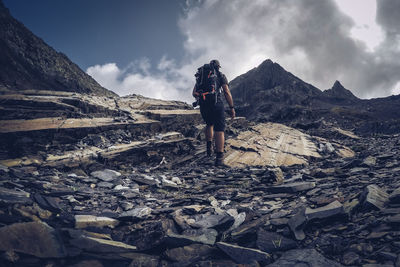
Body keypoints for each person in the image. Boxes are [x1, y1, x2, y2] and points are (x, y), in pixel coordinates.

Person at [192, 59, 235, 166]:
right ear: (218, 66)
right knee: (219, 130)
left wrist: (202, 97)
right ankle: (219, 159)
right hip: (217, 104)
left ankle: (208, 150)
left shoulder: (201, 76)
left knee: (209, 124)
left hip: (204, 104)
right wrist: (232, 107)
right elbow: (226, 91)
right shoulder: (220, 75)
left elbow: (194, 93)